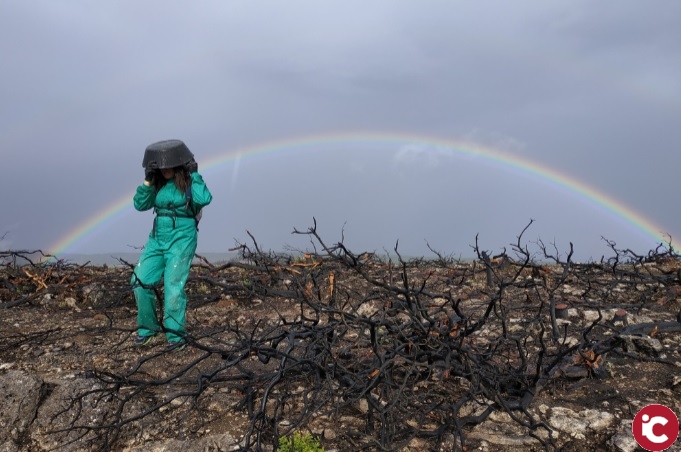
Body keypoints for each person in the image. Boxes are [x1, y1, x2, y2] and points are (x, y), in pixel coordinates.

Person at [130, 140, 213, 351]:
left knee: (173, 286)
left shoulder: (189, 183)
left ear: (178, 164)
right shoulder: (157, 183)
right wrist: (148, 180)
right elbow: (140, 204)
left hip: (182, 237)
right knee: (139, 281)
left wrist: (195, 174)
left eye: (169, 164)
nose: (165, 168)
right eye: (161, 165)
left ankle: (176, 336)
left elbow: (204, 198)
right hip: (158, 236)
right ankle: (147, 330)